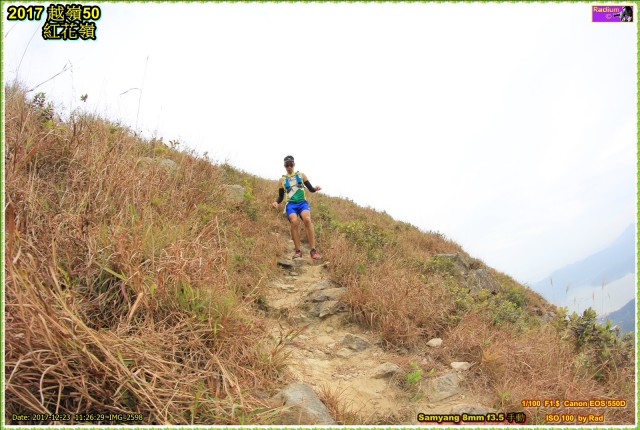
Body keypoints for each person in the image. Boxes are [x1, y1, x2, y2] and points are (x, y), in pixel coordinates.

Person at [272, 155, 322, 260]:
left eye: (291, 164)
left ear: (294, 164)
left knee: (307, 219)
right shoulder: (282, 180)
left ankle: (313, 250)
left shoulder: (301, 175)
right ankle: (298, 251)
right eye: (287, 165)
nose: (289, 167)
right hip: (291, 204)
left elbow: (310, 189)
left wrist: (315, 188)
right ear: (284, 166)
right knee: (294, 222)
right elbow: (281, 196)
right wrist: (276, 202)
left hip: (302, 203)